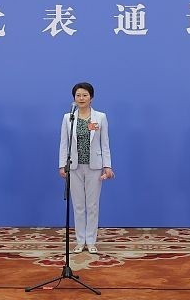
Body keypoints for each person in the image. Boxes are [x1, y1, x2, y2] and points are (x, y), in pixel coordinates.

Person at [59, 82, 114, 254]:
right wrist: (62, 165)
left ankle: (91, 241)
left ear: (91, 98)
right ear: (74, 98)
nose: (81, 98)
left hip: (94, 167)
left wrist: (107, 166)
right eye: (78, 95)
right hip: (74, 167)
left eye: (85, 95)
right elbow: (64, 143)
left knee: (92, 205)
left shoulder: (100, 117)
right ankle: (80, 241)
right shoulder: (68, 118)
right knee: (78, 205)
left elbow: (105, 143)